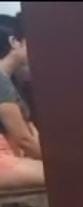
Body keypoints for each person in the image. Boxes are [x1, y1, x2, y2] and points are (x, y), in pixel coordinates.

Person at [0, 13, 42, 190]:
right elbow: (23, 139)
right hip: (4, 159)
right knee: (65, 174)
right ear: (14, 42)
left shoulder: (11, 80)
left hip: (11, 155)